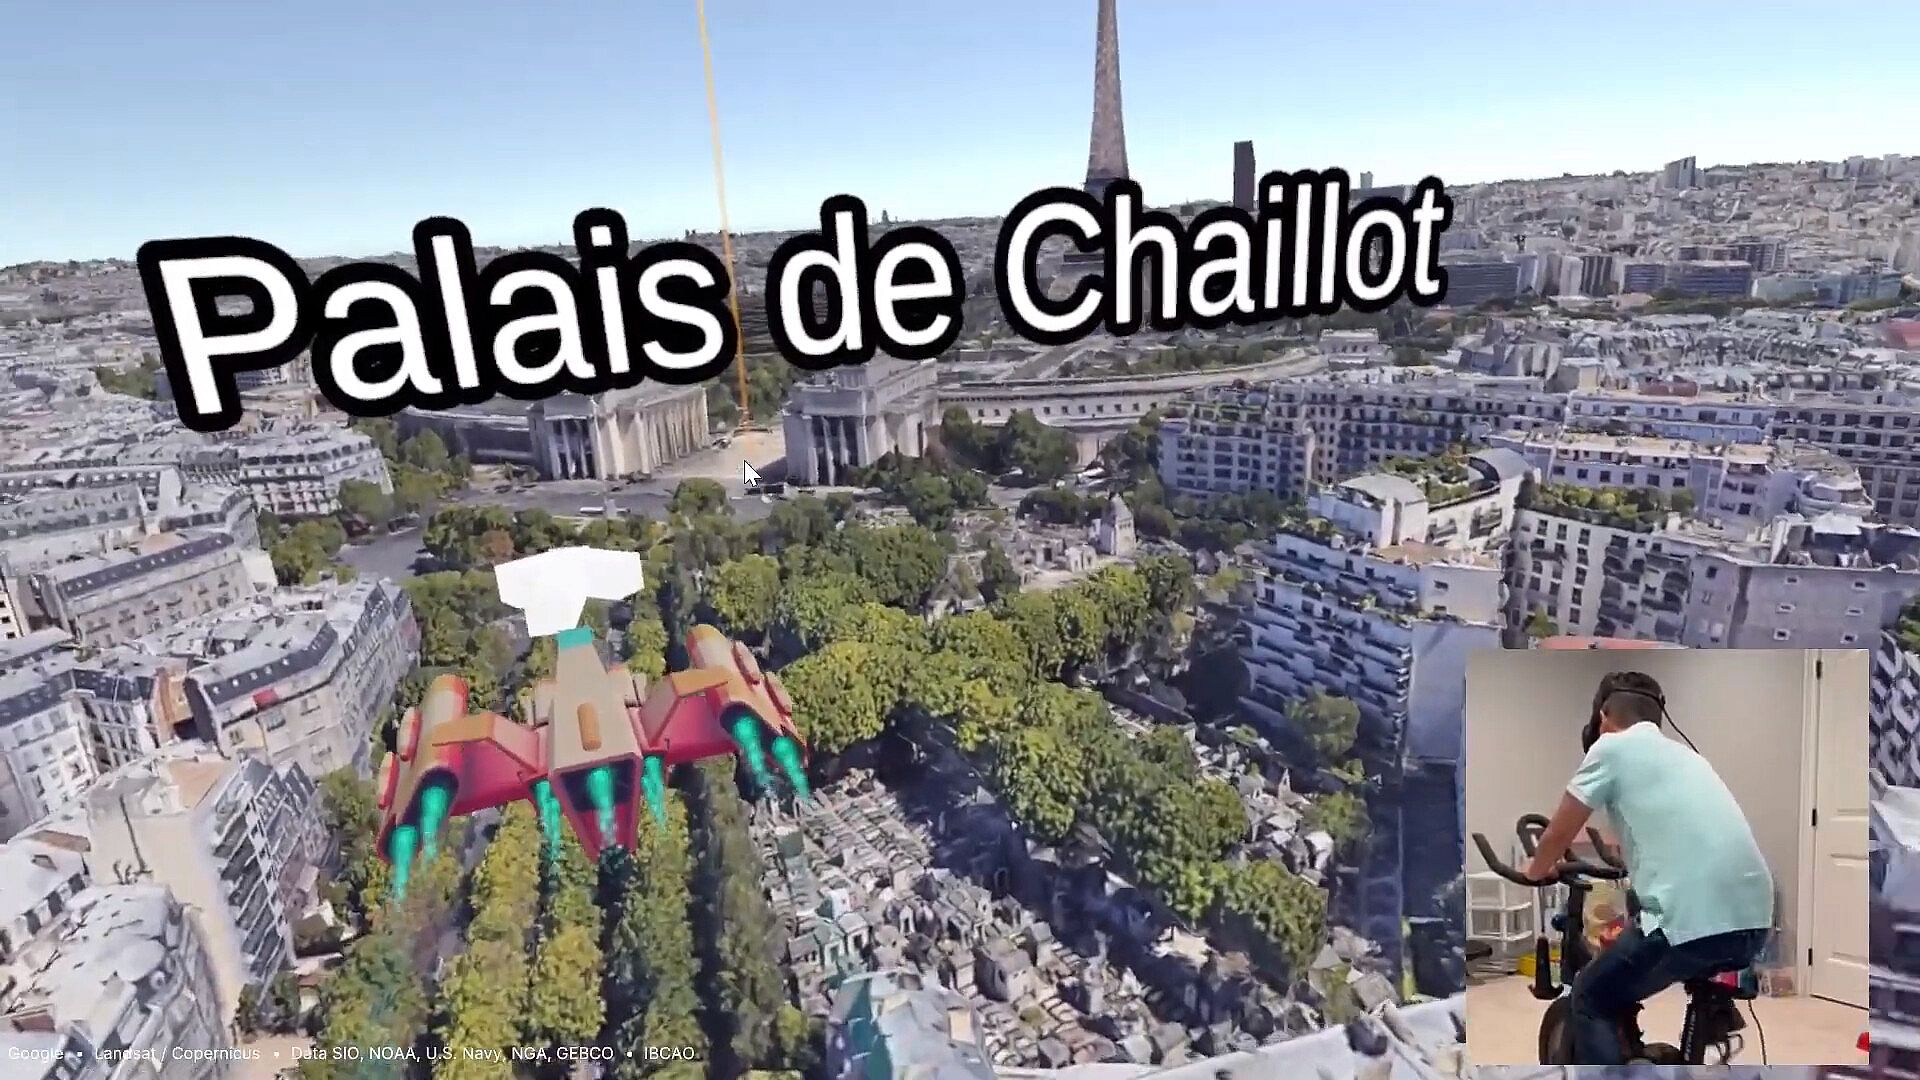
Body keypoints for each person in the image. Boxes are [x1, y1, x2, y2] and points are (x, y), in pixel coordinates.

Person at [1521, 670, 1774, 1064]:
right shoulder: (1688, 757)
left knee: (1591, 997)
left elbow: (1557, 834)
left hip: (1688, 922)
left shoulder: (1610, 748)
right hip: (1753, 920)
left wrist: (1536, 870)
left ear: (1603, 718)